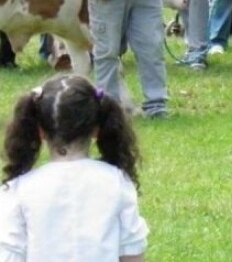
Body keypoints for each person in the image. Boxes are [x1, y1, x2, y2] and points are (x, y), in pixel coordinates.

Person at [0, 75, 148, 261]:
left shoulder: (19, 189)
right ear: (96, 129)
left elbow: (9, 254)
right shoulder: (116, 181)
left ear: (40, 131)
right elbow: (132, 252)